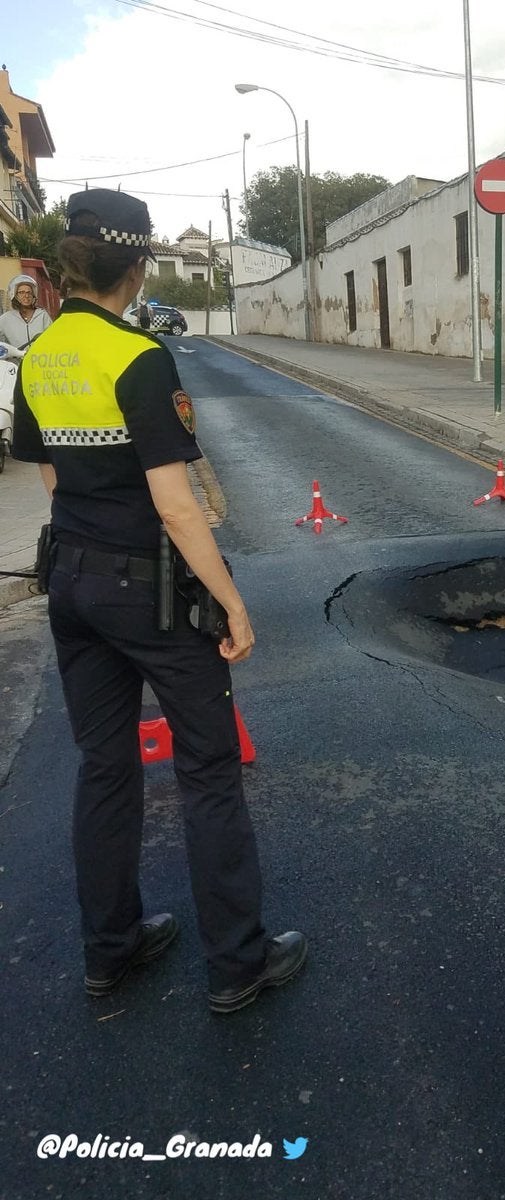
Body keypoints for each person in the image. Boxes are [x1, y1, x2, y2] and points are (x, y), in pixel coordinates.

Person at [12, 188, 306, 1014]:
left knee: (104, 768)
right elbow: (177, 505)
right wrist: (232, 602)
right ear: (137, 266)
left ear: (66, 265)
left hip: (70, 578)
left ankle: (111, 949)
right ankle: (236, 964)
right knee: (209, 769)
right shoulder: (140, 358)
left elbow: (49, 476)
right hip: (150, 592)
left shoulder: (39, 357)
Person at [0, 274, 53, 349]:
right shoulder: (5, 319)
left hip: (39, 358)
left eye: (29, 292)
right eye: (22, 292)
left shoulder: (42, 315)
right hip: (15, 360)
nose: (26, 296)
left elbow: (51, 338)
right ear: (15, 295)